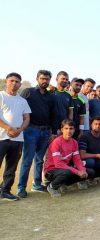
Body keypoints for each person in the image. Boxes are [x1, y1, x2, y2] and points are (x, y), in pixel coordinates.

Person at [17, 70, 55, 198]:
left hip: (45, 131)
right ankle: (21, 188)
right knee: (27, 161)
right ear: (37, 79)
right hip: (30, 130)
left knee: (39, 160)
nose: (45, 81)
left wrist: (52, 132)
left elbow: (52, 115)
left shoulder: (51, 96)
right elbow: (19, 108)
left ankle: (37, 185)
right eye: (42, 78)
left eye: (47, 79)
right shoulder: (28, 92)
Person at [0, 73, 31, 201]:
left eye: (17, 81)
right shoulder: (1, 96)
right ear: (6, 82)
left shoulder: (22, 100)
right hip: (1, 137)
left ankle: (5, 191)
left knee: (11, 167)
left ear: (20, 84)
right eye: (11, 80)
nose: (14, 83)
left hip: (18, 139)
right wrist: (9, 128)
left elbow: (27, 118)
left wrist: (20, 129)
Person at [44, 120, 94, 197]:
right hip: (51, 171)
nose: (69, 131)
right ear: (62, 130)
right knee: (67, 172)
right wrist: (77, 172)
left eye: (71, 128)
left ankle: (63, 183)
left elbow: (77, 160)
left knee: (90, 172)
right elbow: (58, 164)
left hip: (64, 169)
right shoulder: (56, 142)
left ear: (74, 130)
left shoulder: (74, 142)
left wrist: (82, 170)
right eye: (66, 128)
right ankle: (52, 187)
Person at [79, 116, 100, 182]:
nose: (98, 126)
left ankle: (91, 177)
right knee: (91, 162)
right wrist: (98, 155)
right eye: (96, 124)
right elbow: (82, 155)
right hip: (84, 161)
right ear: (91, 125)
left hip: (96, 160)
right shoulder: (84, 136)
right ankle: (81, 180)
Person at [50, 71, 74, 136]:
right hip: (49, 128)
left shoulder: (68, 95)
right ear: (56, 79)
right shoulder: (50, 92)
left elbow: (70, 112)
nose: (65, 81)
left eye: (66, 79)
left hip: (63, 129)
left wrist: (68, 125)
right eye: (63, 79)